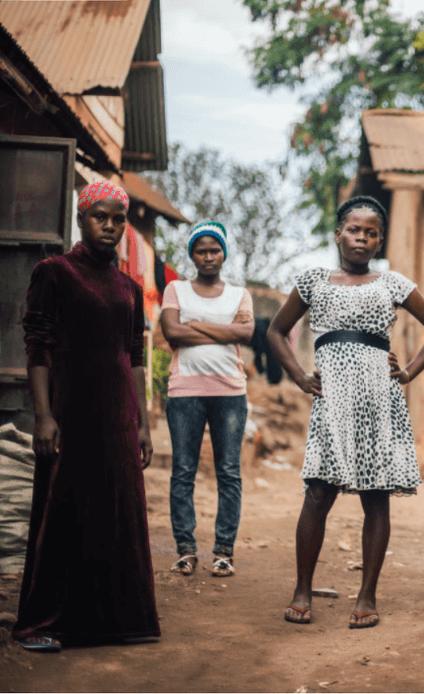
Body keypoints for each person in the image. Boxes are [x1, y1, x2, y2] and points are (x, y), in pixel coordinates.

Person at [268, 195, 424, 629]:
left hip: (377, 400)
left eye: (371, 232)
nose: (361, 238)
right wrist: (296, 375)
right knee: (317, 493)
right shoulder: (313, 280)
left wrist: (407, 372)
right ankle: (302, 590)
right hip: (331, 400)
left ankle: (367, 596)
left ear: (379, 239)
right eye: (354, 230)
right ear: (338, 234)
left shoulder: (392, 284)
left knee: (376, 497)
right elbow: (276, 331)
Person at [15, 181, 160, 652]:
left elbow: (134, 356)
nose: (111, 226)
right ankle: (43, 621)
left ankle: (112, 621)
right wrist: (43, 416)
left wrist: (142, 421)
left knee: (116, 512)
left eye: (119, 219)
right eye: (101, 216)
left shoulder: (128, 287)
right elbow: (38, 346)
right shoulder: (53, 272)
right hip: (70, 410)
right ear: (81, 217)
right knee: (64, 508)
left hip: (117, 414)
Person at [159, 222, 255, 578]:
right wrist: (222, 330)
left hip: (229, 392)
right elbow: (171, 331)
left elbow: (245, 333)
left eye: (215, 250)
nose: (209, 256)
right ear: (192, 255)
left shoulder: (239, 294)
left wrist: (194, 325)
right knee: (183, 473)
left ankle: (223, 552)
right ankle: (186, 550)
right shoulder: (176, 290)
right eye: (201, 250)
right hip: (185, 391)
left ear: (224, 253)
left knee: (228, 473)